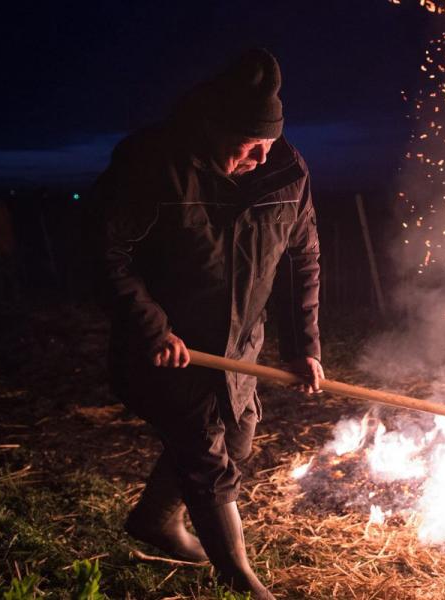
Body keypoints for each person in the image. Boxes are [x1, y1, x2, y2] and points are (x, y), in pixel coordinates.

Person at [86, 48, 322, 600]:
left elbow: (301, 260)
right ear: (215, 125)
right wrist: (151, 326)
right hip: (172, 349)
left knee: (237, 439)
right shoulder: (153, 164)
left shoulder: (287, 172)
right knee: (206, 454)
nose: (263, 158)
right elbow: (104, 253)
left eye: (270, 144)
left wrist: (303, 346)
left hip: (238, 350)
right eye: (250, 145)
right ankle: (240, 579)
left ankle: (155, 520)